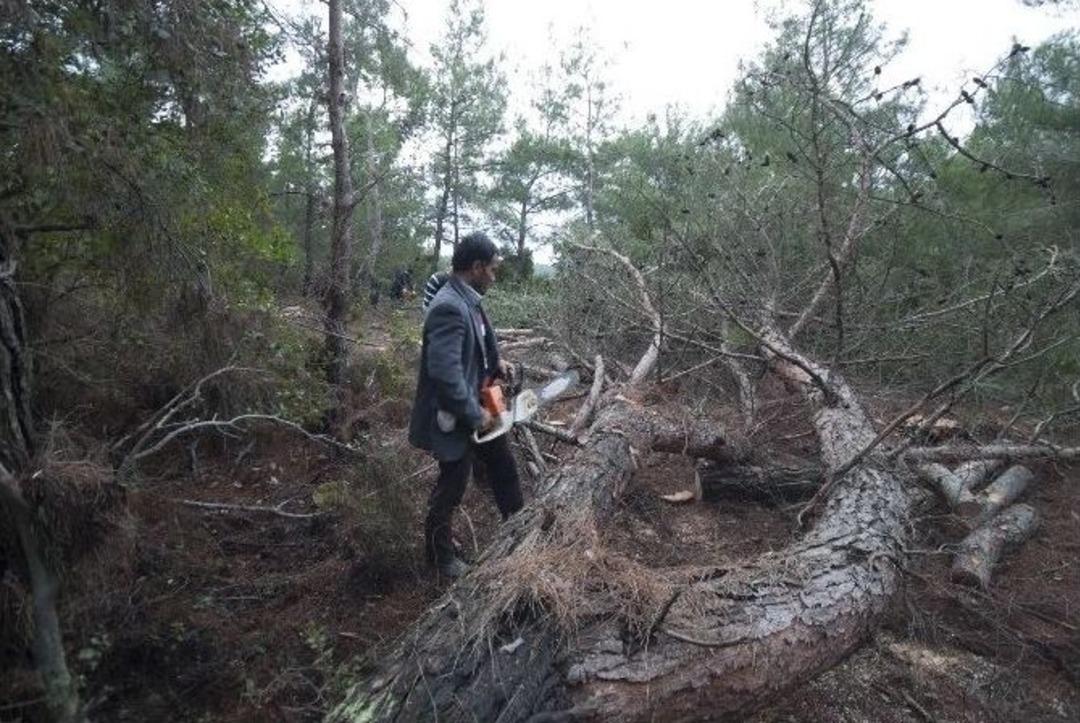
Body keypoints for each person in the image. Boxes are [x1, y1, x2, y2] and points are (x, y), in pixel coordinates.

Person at [408, 232, 522, 578]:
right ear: (476, 267)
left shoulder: (467, 297)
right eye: (492, 269)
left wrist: (496, 362)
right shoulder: (447, 306)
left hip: (480, 403)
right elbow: (445, 374)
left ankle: (522, 533)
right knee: (452, 485)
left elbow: (481, 336)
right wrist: (476, 416)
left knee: (503, 468)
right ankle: (439, 558)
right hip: (458, 414)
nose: (494, 275)